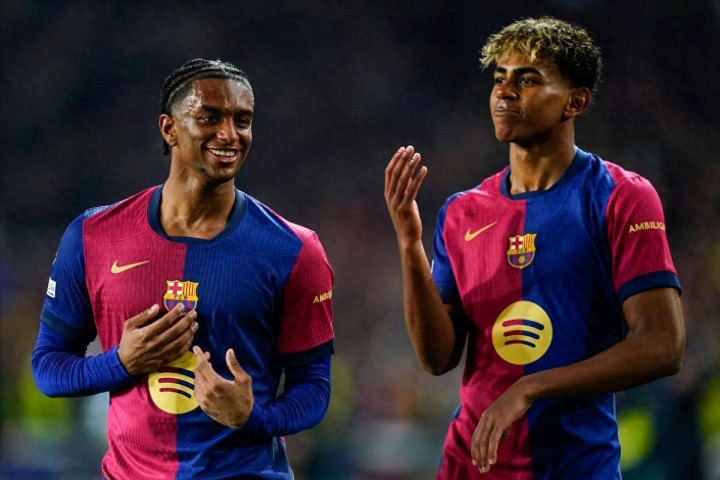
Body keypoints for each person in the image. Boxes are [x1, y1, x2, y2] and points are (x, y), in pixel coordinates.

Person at [384, 17, 685, 479]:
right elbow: (437, 358)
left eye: (527, 80)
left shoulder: (620, 196)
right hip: (470, 466)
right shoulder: (462, 212)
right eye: (499, 78)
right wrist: (409, 244)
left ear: (575, 102)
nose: (505, 92)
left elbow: (663, 344)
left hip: (575, 466)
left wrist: (530, 387)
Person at [32, 58, 335, 479]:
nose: (230, 134)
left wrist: (254, 417)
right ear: (169, 128)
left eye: (242, 121)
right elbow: (48, 367)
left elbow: (315, 388)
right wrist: (120, 362)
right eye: (210, 118)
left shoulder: (295, 250)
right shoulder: (92, 236)